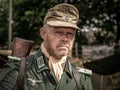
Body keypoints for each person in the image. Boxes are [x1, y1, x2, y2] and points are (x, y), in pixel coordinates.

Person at [0, 3, 93, 90]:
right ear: (43, 33)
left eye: (70, 34)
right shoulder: (18, 69)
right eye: (58, 32)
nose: (65, 39)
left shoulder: (81, 78)